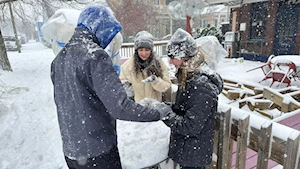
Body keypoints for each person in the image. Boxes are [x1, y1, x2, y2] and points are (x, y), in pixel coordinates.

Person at [50, 4, 170, 169]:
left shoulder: (59, 60)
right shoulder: (95, 57)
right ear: (98, 26)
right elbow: (120, 107)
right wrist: (157, 112)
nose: (108, 39)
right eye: (107, 31)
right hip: (98, 151)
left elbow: (72, 100)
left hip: (72, 151)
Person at [144, 28, 224, 169]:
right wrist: (161, 106)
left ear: (184, 57)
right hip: (188, 150)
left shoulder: (201, 86)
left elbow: (190, 126)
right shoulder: (189, 77)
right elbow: (183, 108)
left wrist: (165, 113)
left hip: (194, 155)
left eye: (173, 56)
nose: (170, 61)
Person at [120, 30, 171, 103]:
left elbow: (166, 86)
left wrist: (156, 82)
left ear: (151, 50)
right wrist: (126, 87)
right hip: (135, 109)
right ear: (136, 50)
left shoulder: (159, 65)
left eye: (147, 50)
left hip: (154, 108)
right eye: (141, 50)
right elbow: (121, 86)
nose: (144, 53)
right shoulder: (127, 67)